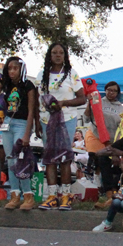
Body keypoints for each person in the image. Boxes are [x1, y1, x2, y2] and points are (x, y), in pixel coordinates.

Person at [37, 43, 86, 210]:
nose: (58, 55)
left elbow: (82, 98)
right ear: (49, 56)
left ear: (65, 56)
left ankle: (65, 195)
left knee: (64, 157)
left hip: (67, 119)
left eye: (61, 52)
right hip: (46, 120)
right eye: (54, 52)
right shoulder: (41, 75)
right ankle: (51, 195)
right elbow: (37, 100)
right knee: (50, 158)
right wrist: (37, 122)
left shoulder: (72, 74)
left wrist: (64, 102)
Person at [0, 57, 39, 210]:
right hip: (8, 122)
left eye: (15, 68)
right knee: (10, 160)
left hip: (22, 123)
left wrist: (27, 133)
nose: (12, 71)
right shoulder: (7, 86)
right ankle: (15, 195)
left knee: (20, 159)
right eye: (9, 68)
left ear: (21, 69)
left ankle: (28, 195)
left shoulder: (28, 85)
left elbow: (30, 110)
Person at [85, 81, 123, 208]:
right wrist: (89, 103)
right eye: (109, 90)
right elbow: (87, 118)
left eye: (114, 91)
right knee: (96, 160)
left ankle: (111, 194)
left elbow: (122, 127)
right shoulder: (98, 101)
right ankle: (96, 190)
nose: (111, 92)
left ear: (118, 93)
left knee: (109, 165)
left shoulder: (121, 109)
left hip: (112, 141)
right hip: (96, 136)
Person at [91, 154, 123, 233]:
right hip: (120, 203)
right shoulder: (118, 178)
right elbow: (114, 193)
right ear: (120, 165)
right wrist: (116, 195)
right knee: (116, 201)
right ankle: (107, 223)